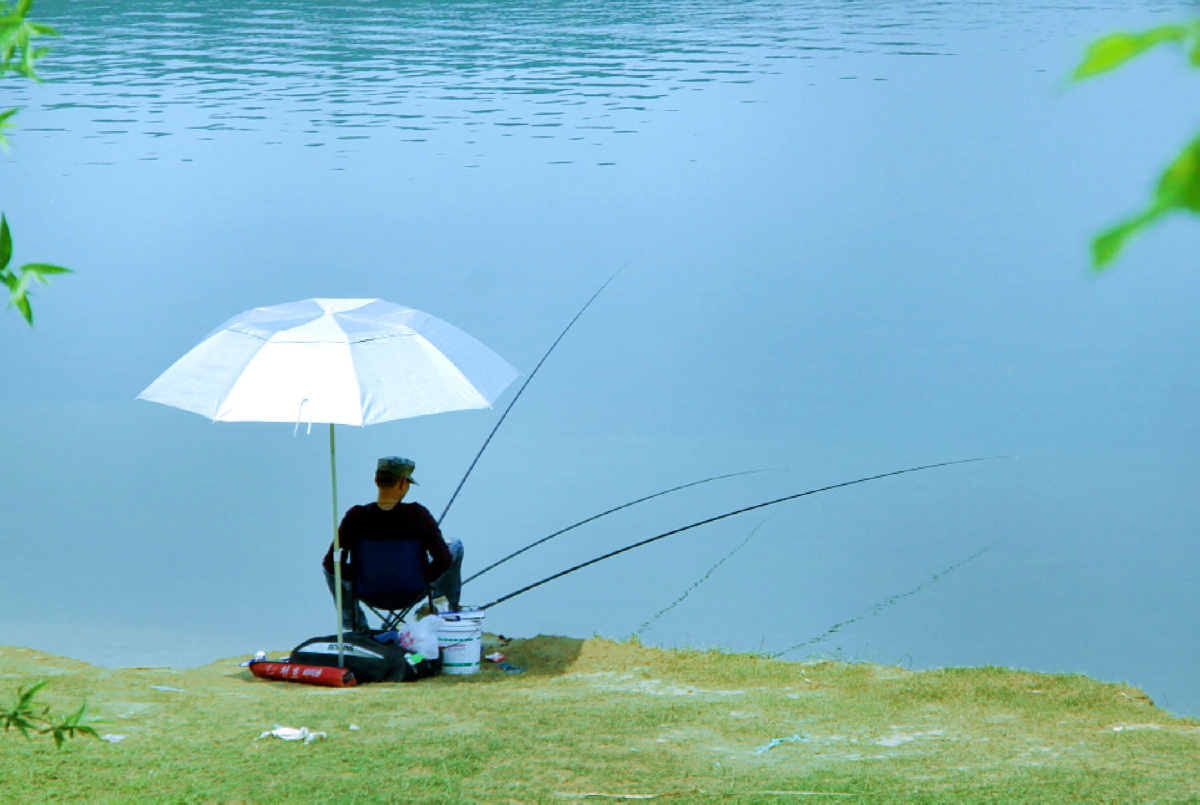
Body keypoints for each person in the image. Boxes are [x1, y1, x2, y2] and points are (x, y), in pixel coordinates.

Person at [322, 456, 463, 632]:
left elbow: (331, 564)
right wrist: (425, 577)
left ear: (376, 481)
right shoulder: (418, 515)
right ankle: (443, 614)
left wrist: (357, 577)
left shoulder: (355, 517)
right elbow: (443, 560)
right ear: (403, 483)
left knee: (330, 568)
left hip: (368, 593)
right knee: (455, 545)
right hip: (413, 590)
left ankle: (355, 627)